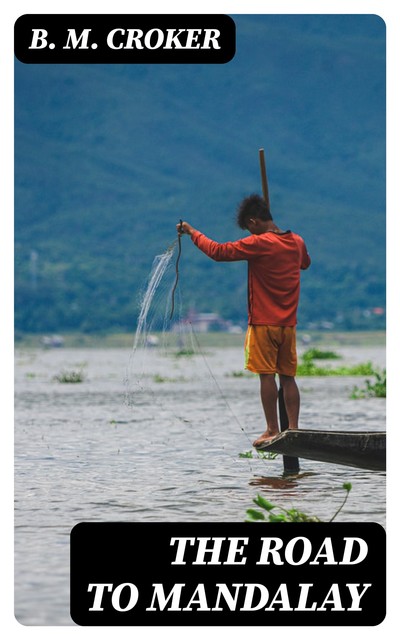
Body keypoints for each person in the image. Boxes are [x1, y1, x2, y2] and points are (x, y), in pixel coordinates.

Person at [177, 194, 311, 448]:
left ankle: (272, 429)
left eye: (249, 228)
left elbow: (217, 252)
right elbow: (305, 263)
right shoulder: (297, 241)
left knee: (266, 376)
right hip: (288, 324)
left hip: (263, 322)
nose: (249, 233)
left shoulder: (259, 243)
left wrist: (191, 231)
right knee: (288, 377)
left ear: (254, 221)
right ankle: (294, 428)